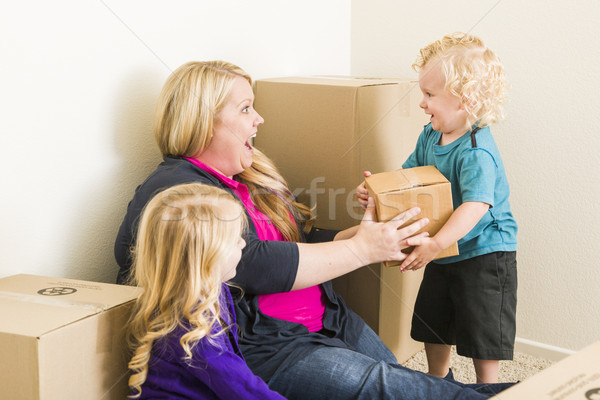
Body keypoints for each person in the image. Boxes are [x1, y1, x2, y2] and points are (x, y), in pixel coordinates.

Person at [115, 60, 515, 399]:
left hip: (328, 320)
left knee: (406, 385)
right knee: (392, 387)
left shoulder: (249, 175)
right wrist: (361, 251)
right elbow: (250, 264)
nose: (259, 119)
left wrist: (363, 237)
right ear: (201, 122)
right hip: (274, 347)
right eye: (245, 109)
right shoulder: (175, 192)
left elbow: (298, 242)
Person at [357, 32, 518, 384]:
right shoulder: (430, 134)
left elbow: (475, 206)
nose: (422, 103)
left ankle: (487, 388)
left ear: (465, 100)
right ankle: (437, 377)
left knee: (482, 327)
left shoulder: (476, 150)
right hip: (443, 247)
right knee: (434, 317)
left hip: (485, 252)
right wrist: (378, 192)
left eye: (430, 95)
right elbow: (410, 176)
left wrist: (433, 244)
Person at [126, 182, 286, 399]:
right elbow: (244, 389)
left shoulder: (214, 290)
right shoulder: (192, 331)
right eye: (234, 239)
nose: (242, 244)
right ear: (206, 258)